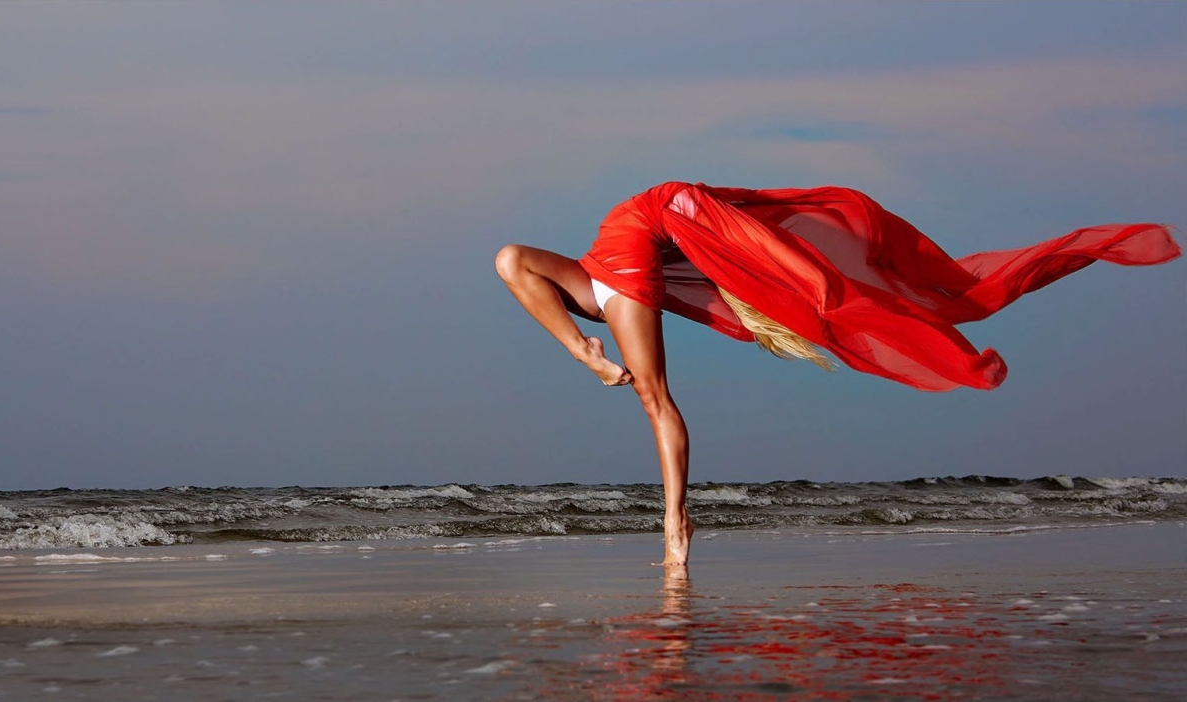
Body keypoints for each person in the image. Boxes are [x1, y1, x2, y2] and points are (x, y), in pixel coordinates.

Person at [495, 181, 1179, 565]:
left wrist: (817, 290)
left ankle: (676, 523)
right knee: (516, 268)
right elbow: (517, 265)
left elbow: (537, 267)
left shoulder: (627, 286)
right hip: (635, 241)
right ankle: (594, 374)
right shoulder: (600, 289)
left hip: (663, 215)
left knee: (653, 395)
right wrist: (580, 347)